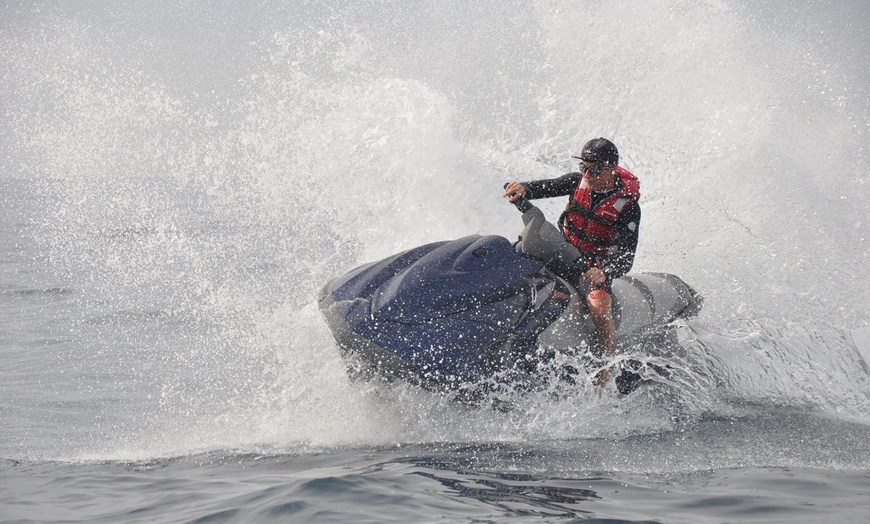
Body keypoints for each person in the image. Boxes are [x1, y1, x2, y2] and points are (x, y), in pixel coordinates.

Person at [502, 138, 641, 387]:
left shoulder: (628, 207)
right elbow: (544, 188)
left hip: (590, 267)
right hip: (562, 251)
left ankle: (602, 373)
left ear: (611, 168)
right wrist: (521, 189)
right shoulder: (577, 182)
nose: (588, 175)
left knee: (598, 306)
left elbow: (627, 258)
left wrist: (604, 271)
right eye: (584, 167)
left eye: (596, 169)